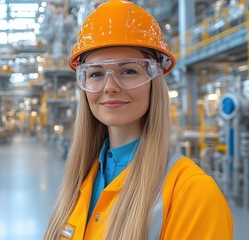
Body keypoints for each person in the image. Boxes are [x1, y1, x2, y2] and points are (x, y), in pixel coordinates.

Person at [44, 1, 233, 239]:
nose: (110, 86)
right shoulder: (80, 183)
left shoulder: (192, 193)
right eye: (95, 73)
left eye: (129, 71)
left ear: (154, 79)